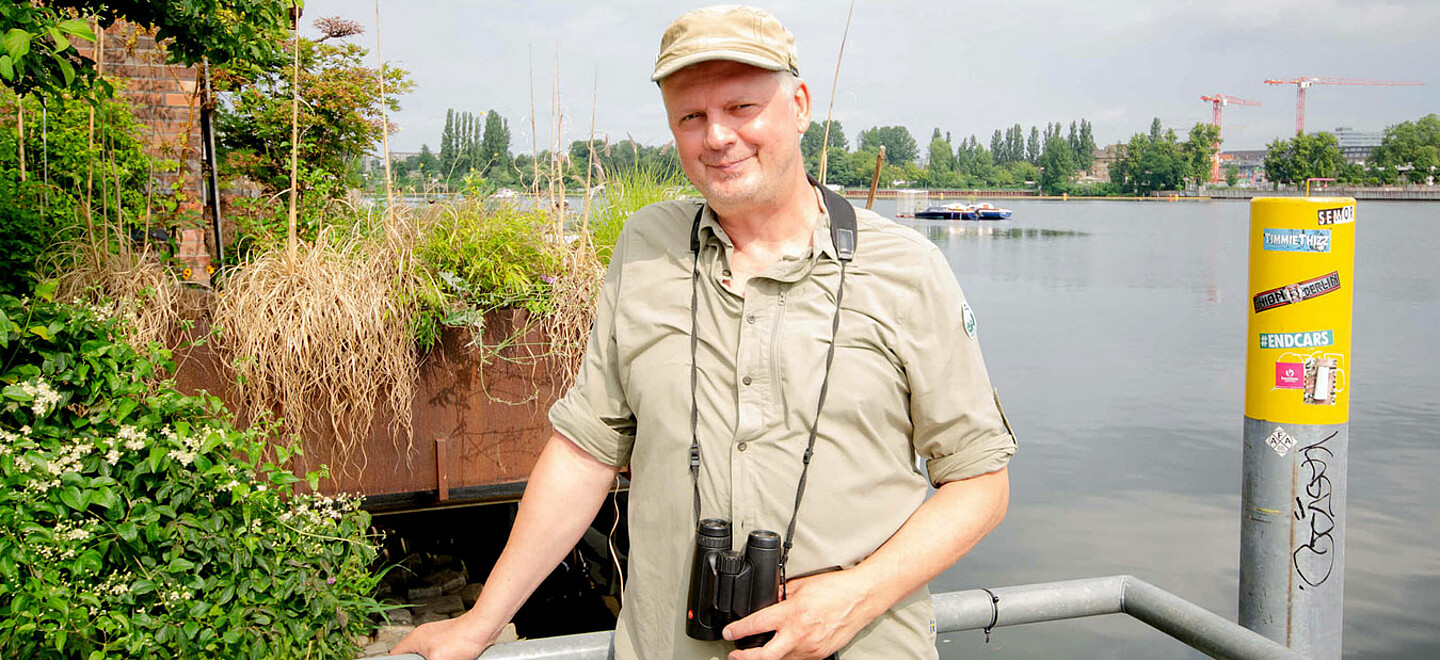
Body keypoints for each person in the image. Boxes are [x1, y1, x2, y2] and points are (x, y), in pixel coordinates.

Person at [393, 6, 1015, 660]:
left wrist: (855, 595)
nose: (717, 136)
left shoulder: (908, 270)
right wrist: (482, 619)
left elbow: (980, 482)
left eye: (742, 107)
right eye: (691, 117)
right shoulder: (644, 248)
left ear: (799, 105)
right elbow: (585, 453)